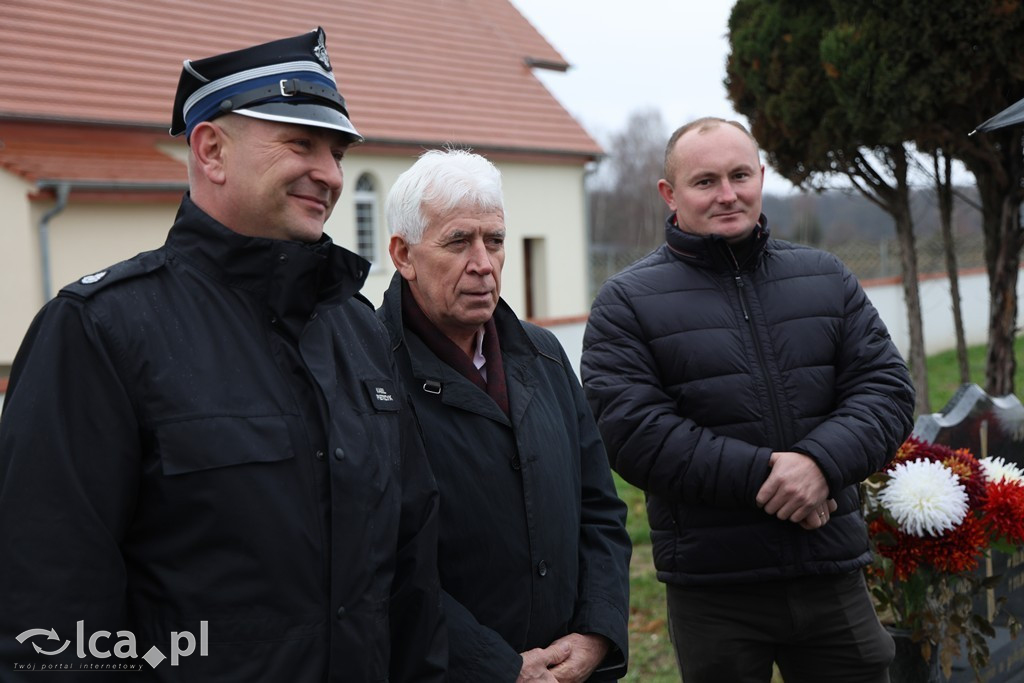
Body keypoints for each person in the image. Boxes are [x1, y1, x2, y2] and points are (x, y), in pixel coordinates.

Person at [0, 29, 445, 681]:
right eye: (301, 143)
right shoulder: (101, 331)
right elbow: (48, 615)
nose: (330, 174)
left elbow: (412, 568)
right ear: (211, 150)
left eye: (337, 152)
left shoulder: (358, 329)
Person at [581, 117, 916, 683]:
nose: (727, 194)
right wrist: (773, 478)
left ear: (761, 175)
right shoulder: (626, 302)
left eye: (740, 175)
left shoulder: (824, 277)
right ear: (670, 194)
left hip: (830, 571)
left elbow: (886, 390)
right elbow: (634, 433)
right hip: (715, 591)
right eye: (705, 181)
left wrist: (818, 465)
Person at [377, 149, 631, 683]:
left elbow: (599, 509)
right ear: (403, 255)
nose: (483, 263)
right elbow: (378, 559)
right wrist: (496, 668)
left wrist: (595, 633)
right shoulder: (368, 372)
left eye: (494, 240)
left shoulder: (542, 355)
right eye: (457, 241)